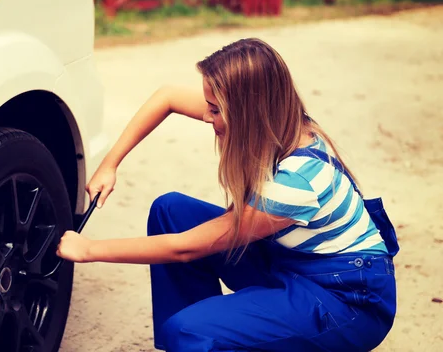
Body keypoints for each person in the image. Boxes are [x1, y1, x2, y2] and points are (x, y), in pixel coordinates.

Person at [56, 38, 399, 351]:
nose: (207, 116)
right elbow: (168, 97)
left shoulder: (297, 184)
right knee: (170, 211)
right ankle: (201, 339)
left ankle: (197, 337)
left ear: (249, 111)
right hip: (291, 263)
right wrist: (110, 164)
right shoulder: (280, 122)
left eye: (216, 110)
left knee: (188, 330)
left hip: (346, 301)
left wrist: (88, 250)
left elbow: (185, 247)